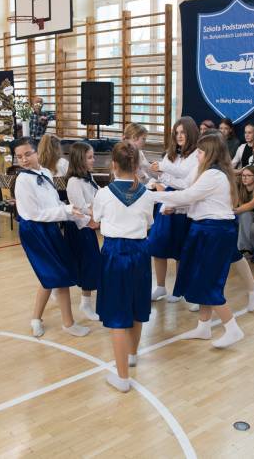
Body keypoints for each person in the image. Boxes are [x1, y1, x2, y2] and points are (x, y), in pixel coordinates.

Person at [153, 134, 254, 348]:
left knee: (207, 281)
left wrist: (150, 196)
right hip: (205, 229)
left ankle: (232, 328)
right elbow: (198, 203)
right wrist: (177, 208)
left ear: (209, 154)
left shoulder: (213, 175)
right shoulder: (212, 173)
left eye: (200, 152)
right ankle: (204, 327)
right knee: (200, 278)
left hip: (214, 232)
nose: (197, 156)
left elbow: (188, 195)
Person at [92, 142, 156, 392]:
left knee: (117, 315)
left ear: (114, 165)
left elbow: (96, 219)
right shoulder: (147, 194)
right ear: (137, 165)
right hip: (140, 252)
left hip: (114, 253)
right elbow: (148, 222)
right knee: (137, 307)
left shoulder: (103, 194)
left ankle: (122, 378)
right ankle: (132, 355)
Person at [12, 137, 90, 338]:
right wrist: (66, 211)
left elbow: (53, 204)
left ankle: (37, 319)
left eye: (28, 154)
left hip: (50, 227)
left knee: (52, 276)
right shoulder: (22, 181)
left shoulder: (46, 173)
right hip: (34, 232)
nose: (24, 159)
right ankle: (67, 323)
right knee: (57, 275)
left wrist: (72, 212)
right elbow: (34, 214)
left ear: (37, 152)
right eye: (19, 157)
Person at [148, 116, 199, 302]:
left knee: (181, 250)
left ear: (191, 133)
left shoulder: (196, 155)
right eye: (176, 133)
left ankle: (180, 289)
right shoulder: (171, 154)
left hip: (183, 203)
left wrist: (163, 176)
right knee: (158, 245)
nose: (179, 136)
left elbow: (185, 183)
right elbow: (163, 178)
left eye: (183, 132)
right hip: (167, 200)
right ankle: (161, 287)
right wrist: (156, 181)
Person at [64, 141, 102, 321]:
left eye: (93, 156)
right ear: (79, 160)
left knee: (90, 264)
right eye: (89, 157)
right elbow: (79, 208)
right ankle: (84, 303)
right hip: (79, 228)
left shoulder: (88, 177)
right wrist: (92, 215)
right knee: (85, 264)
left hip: (88, 225)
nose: (93, 160)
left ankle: (85, 302)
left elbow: (97, 196)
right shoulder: (74, 182)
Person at [235, 165, 254, 255]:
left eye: (248, 175)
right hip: (242, 215)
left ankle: (246, 249)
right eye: (243, 175)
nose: (245, 178)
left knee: (246, 215)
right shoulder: (240, 187)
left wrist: (232, 211)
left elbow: (252, 205)